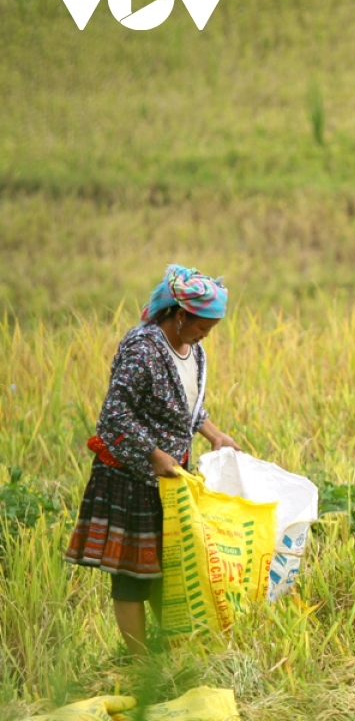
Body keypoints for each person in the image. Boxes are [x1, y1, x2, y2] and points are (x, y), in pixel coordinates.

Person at [64, 265, 238, 657]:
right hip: (130, 477)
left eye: (212, 327)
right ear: (180, 316)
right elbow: (114, 416)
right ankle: (139, 663)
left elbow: (187, 406)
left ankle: (170, 652)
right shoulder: (143, 349)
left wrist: (215, 435)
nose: (207, 333)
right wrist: (154, 454)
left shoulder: (194, 351)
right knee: (132, 575)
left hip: (170, 481)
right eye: (202, 325)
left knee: (169, 569)